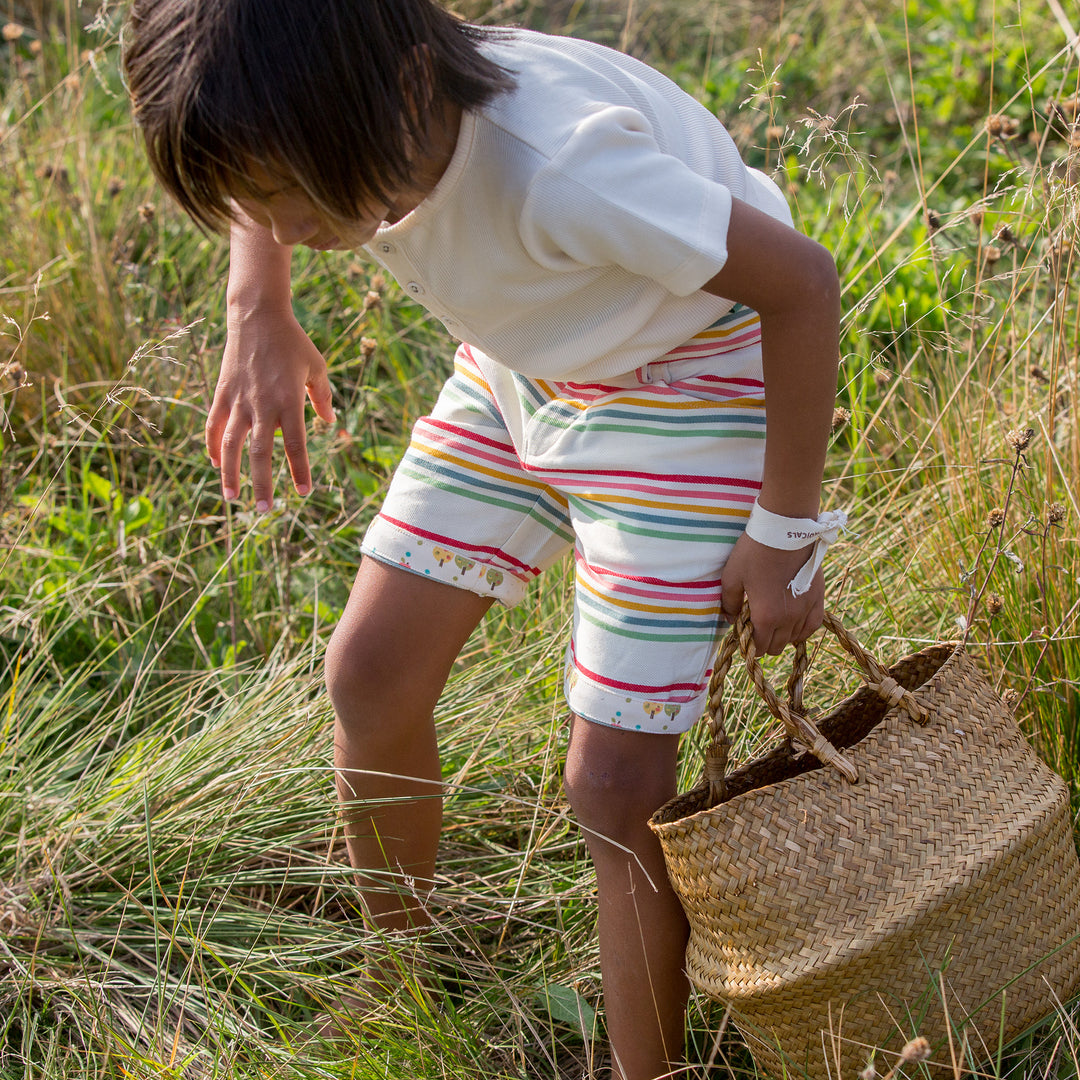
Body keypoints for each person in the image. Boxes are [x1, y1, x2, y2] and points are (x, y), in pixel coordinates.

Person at [123, 1, 844, 1076]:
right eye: (245, 198)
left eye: (284, 194)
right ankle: (399, 975)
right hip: (524, 369)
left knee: (614, 782)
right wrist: (255, 305)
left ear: (405, 91)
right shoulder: (360, 97)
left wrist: (784, 533)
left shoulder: (564, 167)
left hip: (686, 374)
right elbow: (255, 161)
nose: (270, 224)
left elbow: (801, 282)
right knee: (369, 672)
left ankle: (644, 1070)